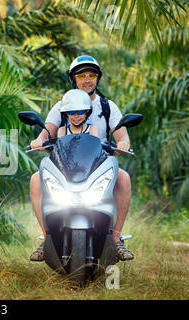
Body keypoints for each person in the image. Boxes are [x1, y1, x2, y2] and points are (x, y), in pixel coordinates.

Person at [29, 55, 134, 262]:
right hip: (64, 165)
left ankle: (115, 239)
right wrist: (39, 141)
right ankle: (47, 238)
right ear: (73, 79)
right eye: (81, 75)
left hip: (99, 165)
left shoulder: (107, 106)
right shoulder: (62, 105)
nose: (87, 79)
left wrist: (123, 144)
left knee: (124, 179)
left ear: (98, 78)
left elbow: (122, 136)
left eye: (92, 74)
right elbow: (47, 132)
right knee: (35, 180)